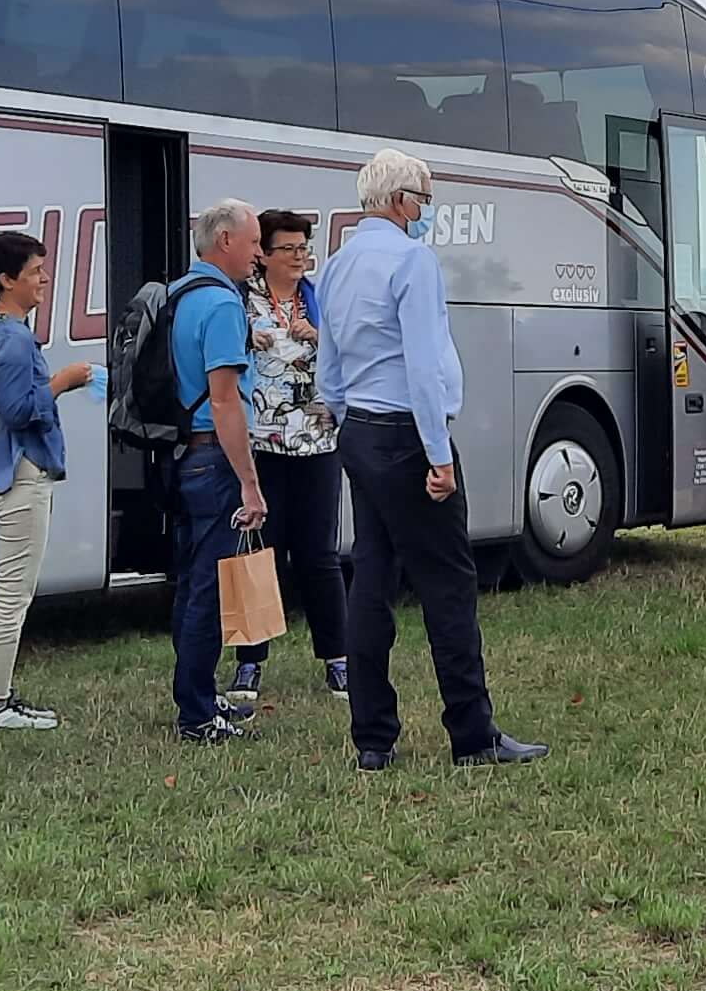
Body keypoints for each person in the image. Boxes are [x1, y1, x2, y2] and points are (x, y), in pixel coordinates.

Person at [314, 148, 546, 772]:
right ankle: (472, 734)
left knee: (371, 578)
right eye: (425, 199)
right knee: (448, 584)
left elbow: (328, 365)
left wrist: (345, 418)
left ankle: (372, 738)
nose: (427, 211)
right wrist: (438, 456)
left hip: (360, 429)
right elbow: (422, 363)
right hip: (409, 433)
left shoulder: (336, 265)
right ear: (400, 201)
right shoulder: (412, 260)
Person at [0, 226, 92, 731]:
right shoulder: (14, 339)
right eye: (36, 271)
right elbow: (19, 410)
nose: (44, 279)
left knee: (12, 589)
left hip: (3, 471)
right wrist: (63, 381)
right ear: (6, 279)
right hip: (20, 473)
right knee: (13, 592)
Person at [161, 198, 271, 743]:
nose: (259, 254)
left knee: (191, 583)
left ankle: (197, 693)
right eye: (254, 243)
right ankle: (198, 715)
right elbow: (226, 401)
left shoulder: (179, 294)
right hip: (215, 458)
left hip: (182, 454)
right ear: (225, 240)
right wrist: (250, 484)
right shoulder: (224, 305)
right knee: (210, 587)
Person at [231, 208, 349, 708]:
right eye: (289, 249)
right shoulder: (242, 300)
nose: (300, 257)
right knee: (259, 554)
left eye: (304, 248)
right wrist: (245, 337)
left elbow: (348, 355)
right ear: (264, 254)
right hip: (261, 445)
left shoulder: (318, 299)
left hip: (318, 444)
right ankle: (249, 662)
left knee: (320, 554)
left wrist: (318, 337)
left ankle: (338, 658)